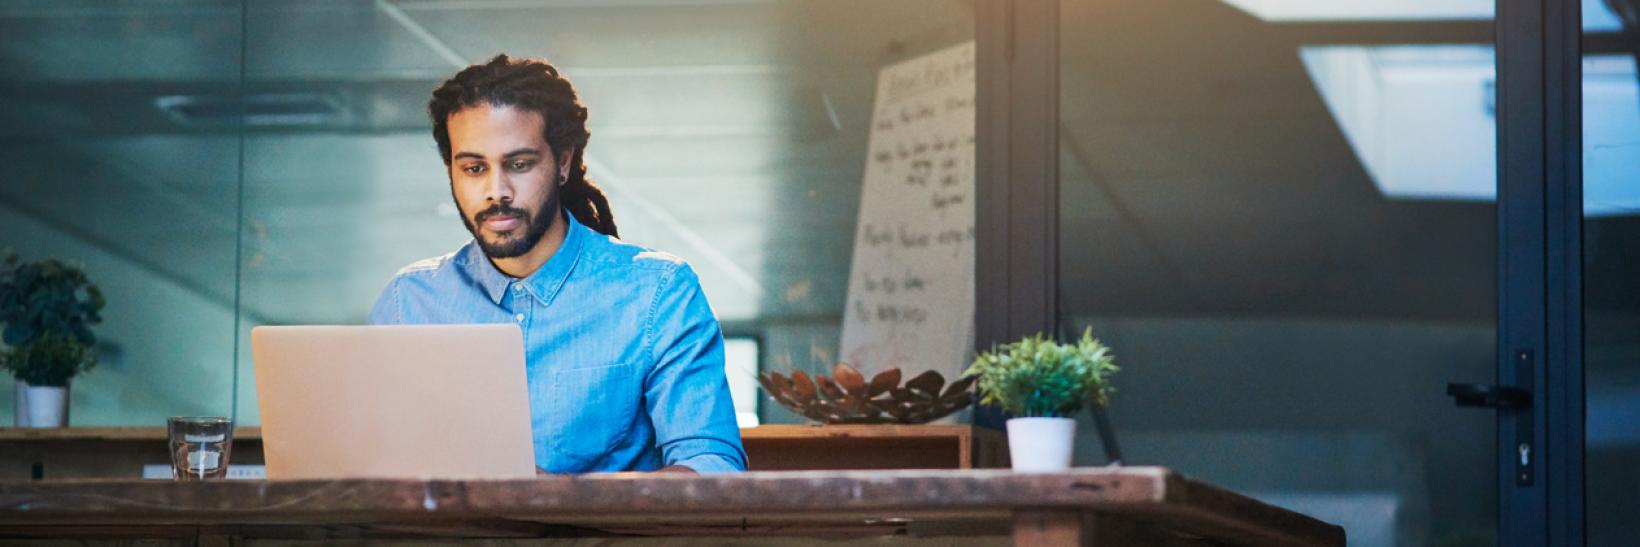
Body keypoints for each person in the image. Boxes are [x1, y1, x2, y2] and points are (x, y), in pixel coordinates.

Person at [368, 54, 746, 474]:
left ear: (563, 162)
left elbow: (714, 469)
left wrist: (558, 500)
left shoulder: (657, 293)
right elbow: (367, 464)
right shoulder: (409, 303)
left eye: (519, 164)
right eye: (474, 168)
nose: (497, 191)